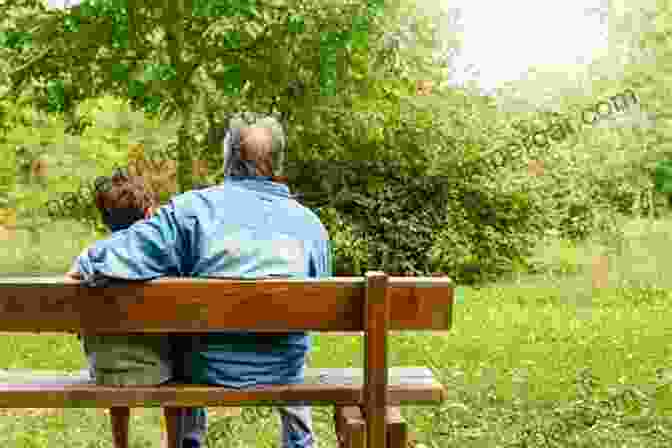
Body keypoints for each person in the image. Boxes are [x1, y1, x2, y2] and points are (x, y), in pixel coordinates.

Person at [66, 116, 332, 448]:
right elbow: (320, 294)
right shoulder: (311, 225)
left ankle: (189, 441)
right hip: (282, 365)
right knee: (294, 343)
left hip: (207, 367)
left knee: (183, 344)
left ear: (227, 157)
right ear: (278, 162)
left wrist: (88, 261)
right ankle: (299, 441)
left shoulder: (191, 211)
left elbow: (124, 251)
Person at [66, 168, 207, 448]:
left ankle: (121, 443)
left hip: (107, 369)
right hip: (161, 370)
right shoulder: (162, 254)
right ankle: (174, 443)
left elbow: (69, 287)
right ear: (148, 215)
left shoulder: (93, 254)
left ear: (105, 220)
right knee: (178, 358)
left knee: (115, 346)